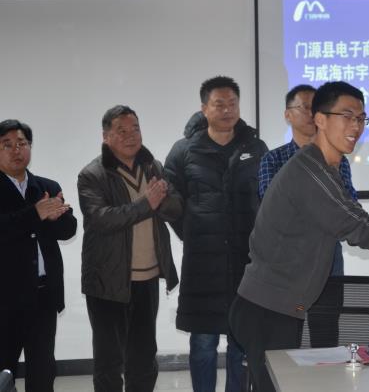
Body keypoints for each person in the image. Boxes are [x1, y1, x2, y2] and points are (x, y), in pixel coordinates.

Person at [229, 81, 369, 392]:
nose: (356, 126)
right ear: (320, 119)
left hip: (276, 308)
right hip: (267, 311)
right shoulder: (311, 171)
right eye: (347, 116)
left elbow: (355, 217)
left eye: (361, 118)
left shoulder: (326, 168)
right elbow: (359, 228)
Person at [164, 76, 267, 392]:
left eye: (232, 103)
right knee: (203, 343)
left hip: (245, 262)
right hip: (202, 265)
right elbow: (171, 204)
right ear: (204, 108)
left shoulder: (255, 148)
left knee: (240, 343)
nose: (227, 110)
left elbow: (266, 200)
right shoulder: (184, 151)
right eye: (219, 104)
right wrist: (195, 233)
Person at [77, 106, 180, 392]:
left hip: (147, 279)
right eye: (121, 130)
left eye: (135, 128)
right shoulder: (92, 174)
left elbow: (175, 208)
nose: (131, 135)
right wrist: (147, 204)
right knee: (109, 363)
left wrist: (162, 201)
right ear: (106, 137)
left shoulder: (153, 166)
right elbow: (101, 219)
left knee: (144, 359)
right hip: (108, 282)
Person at [257, 84, 356, 347]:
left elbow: (348, 206)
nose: (312, 114)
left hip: (328, 262)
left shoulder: (337, 160)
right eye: (305, 107)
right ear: (288, 115)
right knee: (284, 340)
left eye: (316, 108)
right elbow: (274, 208)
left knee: (326, 338)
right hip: (287, 266)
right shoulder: (273, 159)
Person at [0, 120, 76, 392]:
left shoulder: (46, 186)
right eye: (7, 145)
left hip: (43, 296)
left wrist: (57, 217)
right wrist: (36, 213)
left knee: (43, 372)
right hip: (5, 300)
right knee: (3, 373)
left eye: (21, 143)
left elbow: (69, 230)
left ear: (30, 147)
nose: (16, 150)